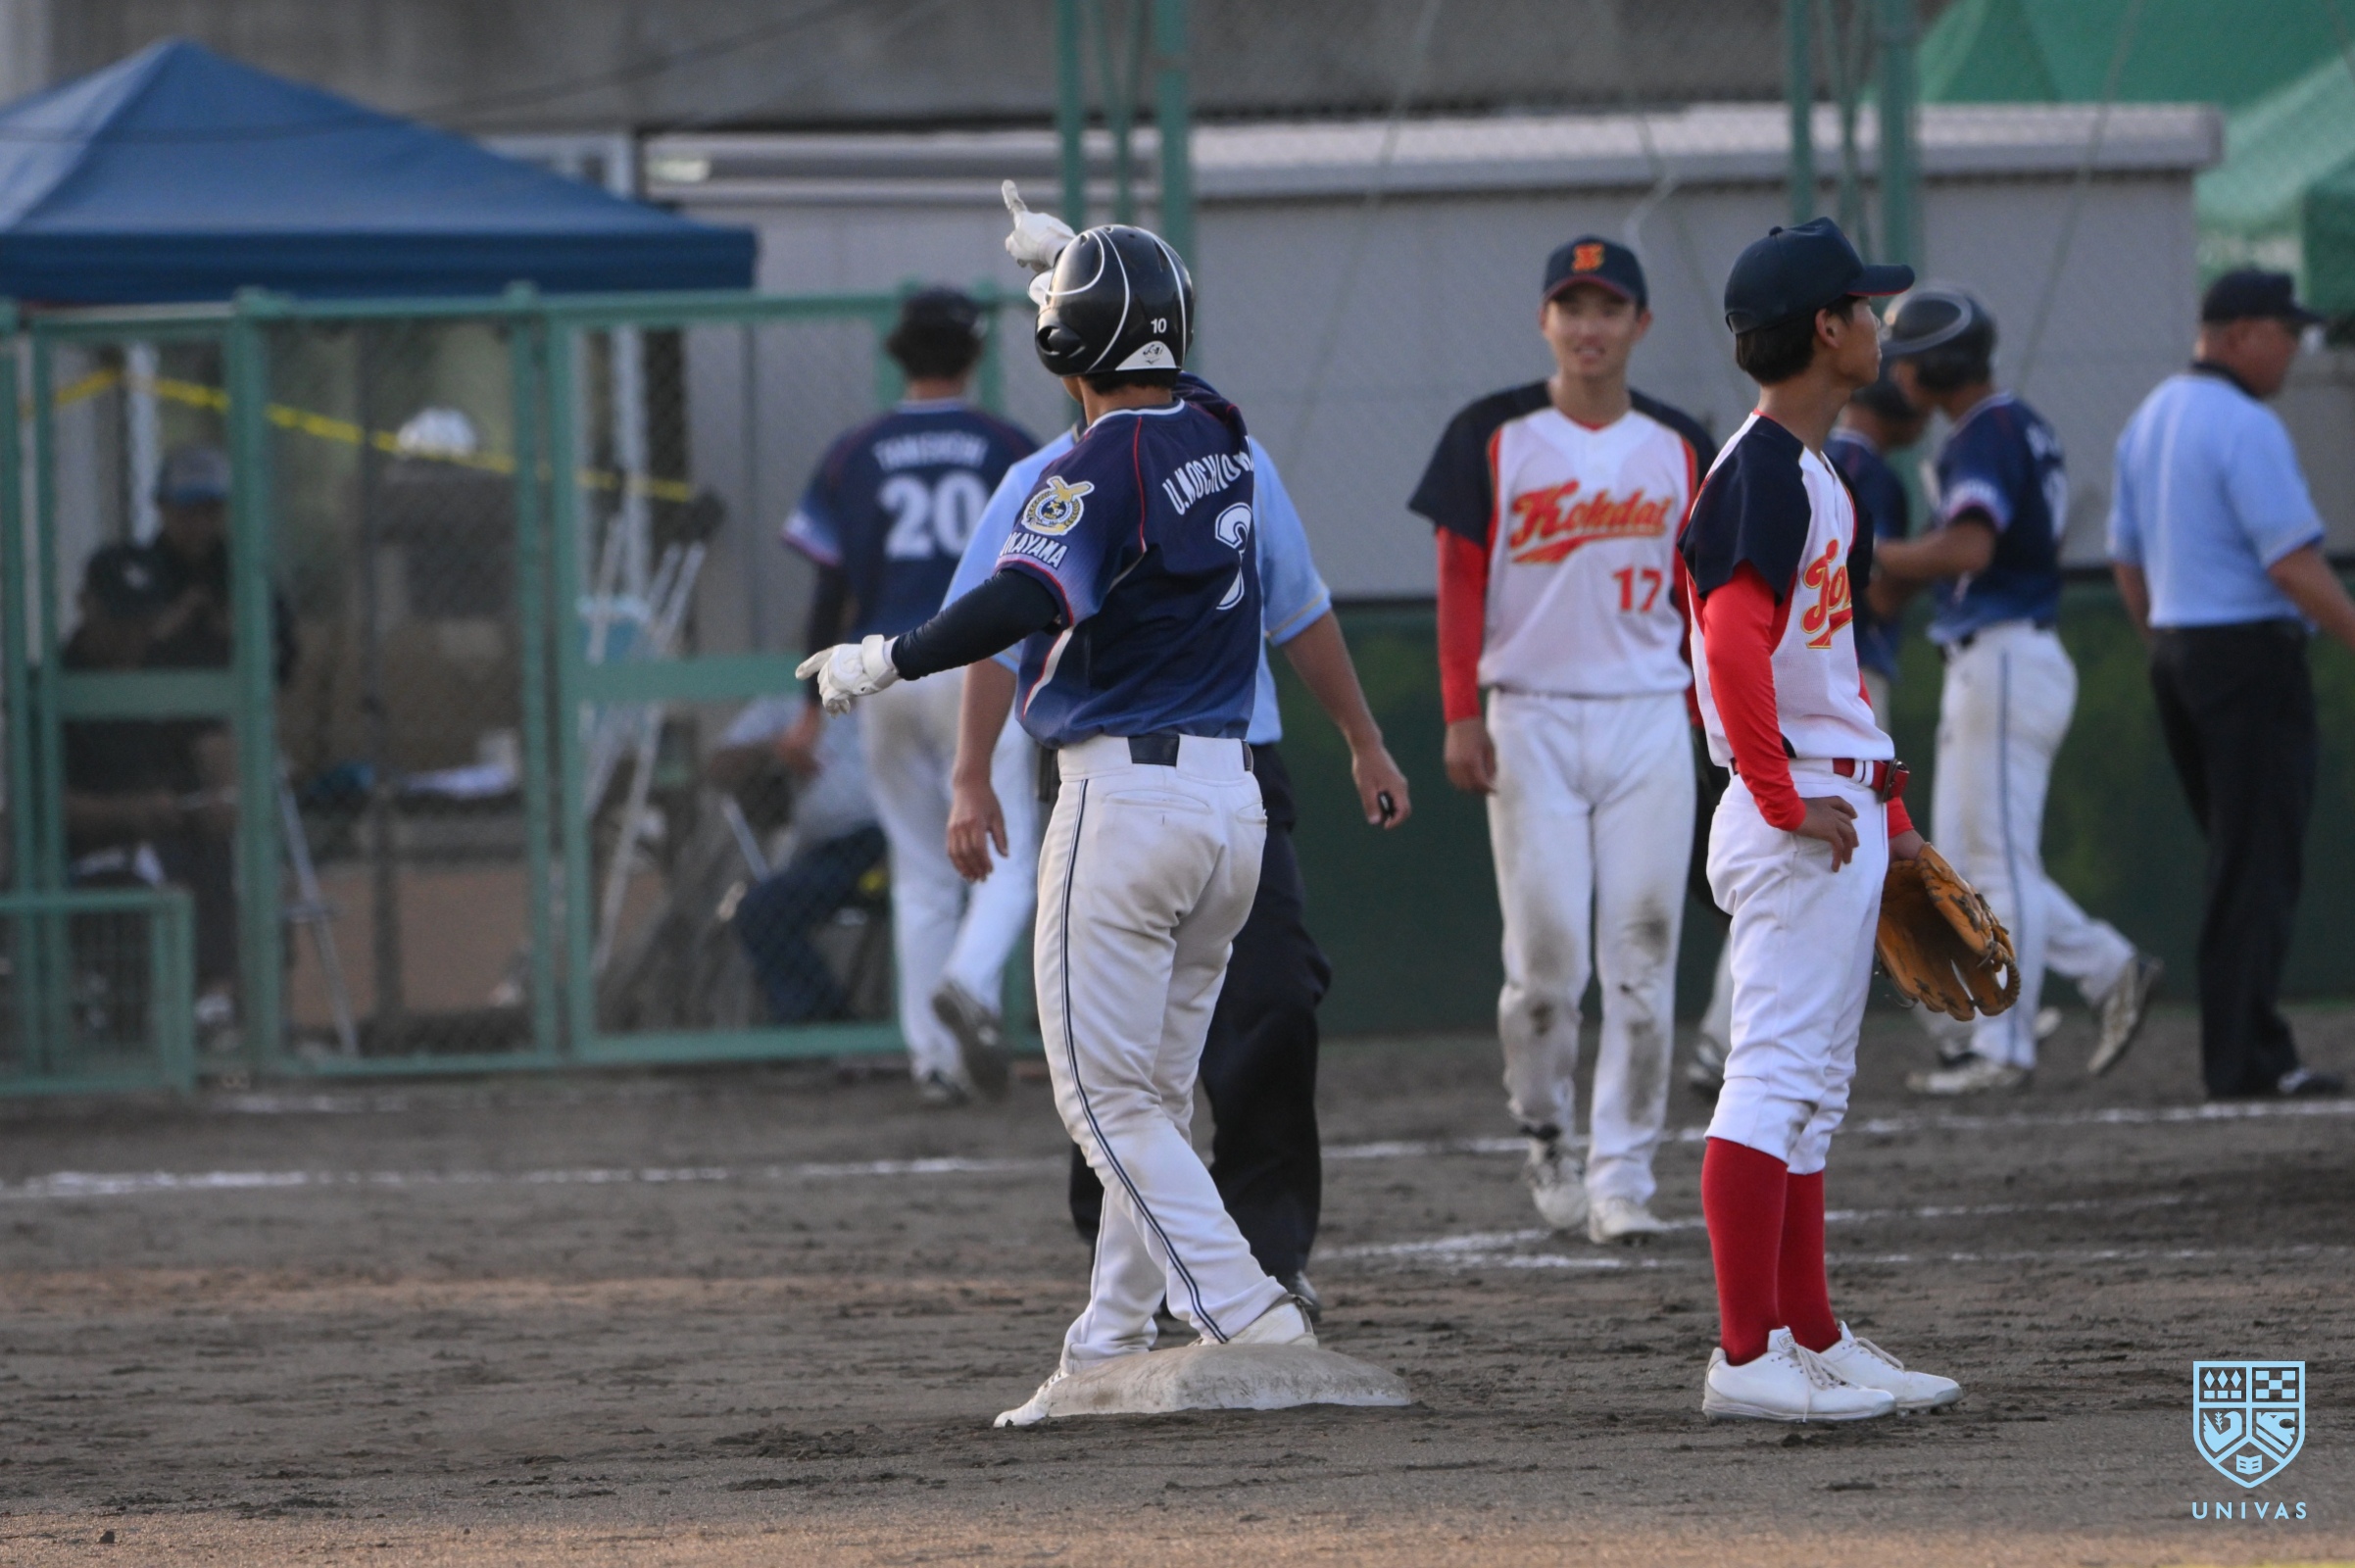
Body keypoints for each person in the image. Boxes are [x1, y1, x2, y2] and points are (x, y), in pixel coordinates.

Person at [798, 222, 1321, 1427]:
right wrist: (1079, 271)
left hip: (1125, 802)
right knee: (1154, 1093)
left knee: (1101, 1098)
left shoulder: (1093, 465)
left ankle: (1253, 1314)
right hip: (1230, 804)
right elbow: (1150, 362)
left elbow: (1021, 598)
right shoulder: (1219, 434)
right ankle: (1106, 1343)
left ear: (1063, 351)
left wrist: (885, 658)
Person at [944, 351, 1412, 1317]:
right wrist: (969, 774)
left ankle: (1266, 1253)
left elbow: (1299, 606)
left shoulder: (1236, 459)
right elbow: (996, 632)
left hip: (1237, 764)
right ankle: (1125, 1273)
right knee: (1109, 1044)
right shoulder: (1041, 481)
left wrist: (1364, 740)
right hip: (1101, 771)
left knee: (1273, 996)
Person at [1681, 217, 1961, 1422]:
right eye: (1866, 306)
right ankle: (1746, 1356)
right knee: (1773, 1076)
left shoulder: (1811, 471)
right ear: (1825, 328)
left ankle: (1810, 1332)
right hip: (1793, 808)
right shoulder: (1760, 470)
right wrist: (1781, 793)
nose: (1881, 324)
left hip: (1832, 799)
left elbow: (1823, 670)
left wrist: (1892, 817)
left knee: (1814, 1090)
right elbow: (1730, 641)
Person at [1407, 236, 1714, 1244]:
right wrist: (1460, 709)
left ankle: (1623, 1176)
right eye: (1572, 306)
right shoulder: (1492, 433)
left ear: (1641, 324)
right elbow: (1459, 577)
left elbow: (1704, 598)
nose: (1590, 326)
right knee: (1546, 969)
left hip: (1647, 712)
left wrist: (1712, 719)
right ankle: (1545, 1131)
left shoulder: (1679, 445)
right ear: (1544, 319)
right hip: (1529, 714)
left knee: (1643, 956)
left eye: (1609, 307)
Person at [1871, 286, 2161, 1095]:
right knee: (1972, 862)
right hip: (1997, 655)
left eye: (1907, 360)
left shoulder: (1987, 429)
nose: (1896, 375)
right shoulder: (2002, 425)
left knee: (1994, 863)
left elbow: (1968, 546)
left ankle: (2004, 1048)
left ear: (1941, 363)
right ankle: (2108, 968)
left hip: (2004, 653)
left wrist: (1872, 554)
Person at [779, 288, 1042, 1103]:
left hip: (883, 666)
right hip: (982, 666)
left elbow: (828, 591)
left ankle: (934, 1062)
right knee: (1007, 862)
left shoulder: (853, 452)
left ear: (898, 354)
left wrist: (807, 710)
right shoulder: (1007, 445)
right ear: (974, 355)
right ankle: (968, 983)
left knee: (922, 873)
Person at [2108, 269, 2355, 1101]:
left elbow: (2125, 560)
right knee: (2257, 860)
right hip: (2247, 658)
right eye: (2284, 333)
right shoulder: (2245, 425)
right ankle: (2246, 1060)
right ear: (2242, 333)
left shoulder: (2148, 417)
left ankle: (2245, 1049)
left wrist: (2164, 645)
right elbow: (2290, 562)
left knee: (2234, 856)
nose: (2291, 350)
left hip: (2181, 653)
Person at [60, 545, 240, 1008]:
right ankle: (167, 1006)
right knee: (148, 873)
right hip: (96, 853)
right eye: (119, 619)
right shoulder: (57, 679)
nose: (132, 634)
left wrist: (220, 795)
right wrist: (128, 812)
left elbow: (213, 745)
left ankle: (216, 1005)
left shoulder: (170, 667)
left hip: (178, 837)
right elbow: (43, 801)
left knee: (219, 855)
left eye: (143, 620)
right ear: (85, 604)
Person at [709, 696, 888, 1025]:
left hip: (905, 845)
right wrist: (778, 748)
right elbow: (718, 765)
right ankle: (827, 1025)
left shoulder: (910, 683)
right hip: (833, 855)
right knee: (760, 911)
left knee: (936, 903)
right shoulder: (792, 700)